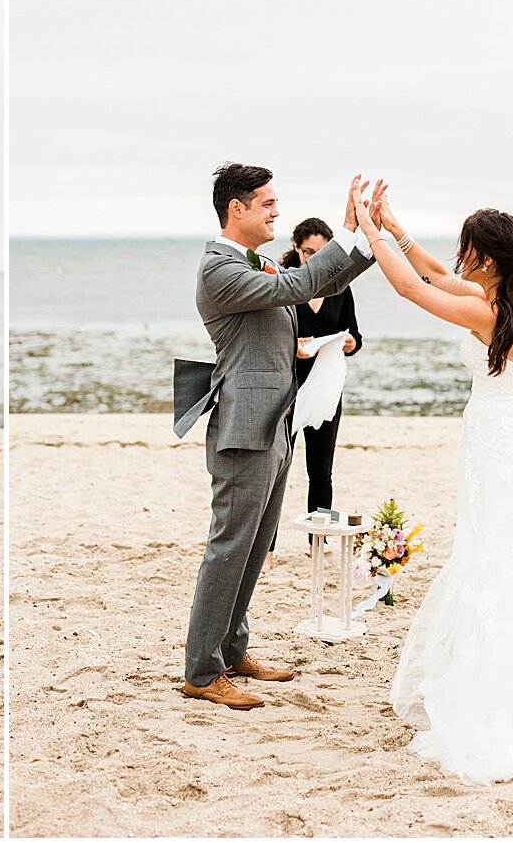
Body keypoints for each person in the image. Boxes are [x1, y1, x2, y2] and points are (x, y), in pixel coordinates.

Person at [355, 179, 513, 783]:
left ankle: (494, 691)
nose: (458, 259)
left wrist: (366, 227)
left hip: (502, 449)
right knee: (507, 560)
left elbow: (412, 287)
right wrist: (395, 224)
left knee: (494, 561)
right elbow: (433, 272)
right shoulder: (509, 299)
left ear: (483, 258)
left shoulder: (488, 311)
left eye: (466, 250)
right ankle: (510, 676)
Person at [175, 166, 375, 710]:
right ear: (236, 208)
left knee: (257, 545)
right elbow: (302, 284)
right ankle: (201, 670)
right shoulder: (218, 268)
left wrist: (364, 239)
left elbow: (322, 284)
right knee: (230, 546)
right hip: (243, 425)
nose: (275, 212)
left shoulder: (257, 261)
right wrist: (350, 233)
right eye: (266, 203)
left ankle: (233, 650)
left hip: (276, 419)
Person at [268, 217, 363, 566]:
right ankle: (267, 548)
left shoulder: (340, 285)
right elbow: (266, 338)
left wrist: (351, 343)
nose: (315, 259)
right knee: (276, 471)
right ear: (296, 247)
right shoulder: (282, 283)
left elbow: (355, 335)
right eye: (309, 252)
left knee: (320, 472)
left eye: (322, 253)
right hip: (287, 390)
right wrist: (292, 345)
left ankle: (317, 546)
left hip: (325, 388)